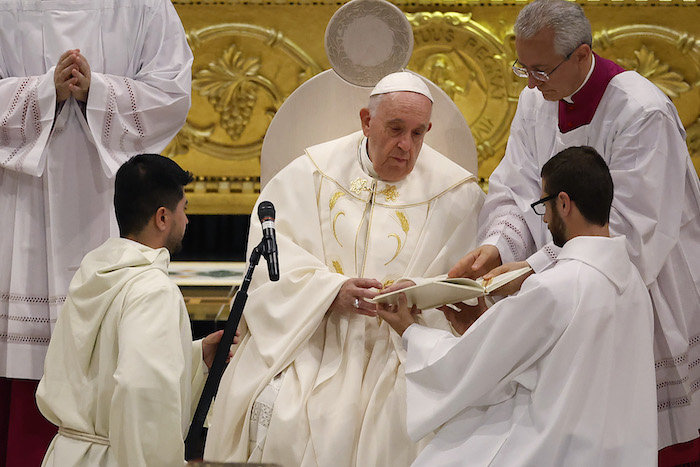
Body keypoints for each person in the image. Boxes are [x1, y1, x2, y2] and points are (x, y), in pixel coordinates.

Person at [449, 0, 700, 460]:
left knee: (648, 437)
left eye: (540, 70)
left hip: (645, 288)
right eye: (522, 68)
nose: (529, 82)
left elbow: (632, 230)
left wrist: (535, 268)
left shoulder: (642, 113)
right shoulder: (535, 100)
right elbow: (516, 185)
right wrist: (498, 248)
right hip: (564, 288)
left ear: (582, 56)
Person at [204, 71, 485, 466]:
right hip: (313, 334)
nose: (406, 145)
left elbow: (464, 285)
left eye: (418, 133)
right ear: (367, 122)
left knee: (403, 420)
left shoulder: (457, 196)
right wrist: (331, 292)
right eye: (396, 129)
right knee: (284, 409)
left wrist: (415, 294)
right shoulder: (310, 174)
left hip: (401, 345)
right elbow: (273, 264)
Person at [0, 1, 193, 463]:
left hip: (109, 197)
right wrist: (43, 91)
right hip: (21, 202)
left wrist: (97, 93)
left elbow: (173, 91)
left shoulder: (143, 5)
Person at [379, 146, 657, 466]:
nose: (546, 219)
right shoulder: (633, 282)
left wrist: (410, 332)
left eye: (543, 205)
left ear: (563, 203)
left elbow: (472, 365)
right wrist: (483, 324)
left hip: (549, 450)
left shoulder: (558, 286)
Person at [35, 154, 229, 466]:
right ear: (163, 217)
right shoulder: (154, 289)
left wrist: (196, 357)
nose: (188, 221)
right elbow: (143, 393)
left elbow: (97, 371)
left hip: (67, 454)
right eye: (185, 210)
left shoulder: (93, 272)